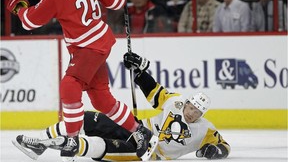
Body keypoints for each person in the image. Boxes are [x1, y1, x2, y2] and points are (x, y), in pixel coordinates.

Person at [6, 0, 157, 161]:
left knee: (69, 84)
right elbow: (114, 1)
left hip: (88, 47)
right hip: (99, 42)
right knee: (102, 100)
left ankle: (72, 139)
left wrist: (18, 7)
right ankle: (140, 132)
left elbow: (30, 21)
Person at [13, 52, 231, 161]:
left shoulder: (205, 130)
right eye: (192, 107)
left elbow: (224, 146)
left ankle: (66, 146)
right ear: (189, 102)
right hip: (138, 129)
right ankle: (40, 142)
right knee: (88, 119)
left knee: (103, 145)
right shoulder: (176, 101)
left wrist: (214, 151)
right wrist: (139, 71)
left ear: (202, 114)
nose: (192, 113)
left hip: (149, 152)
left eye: (197, 112)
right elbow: (155, 92)